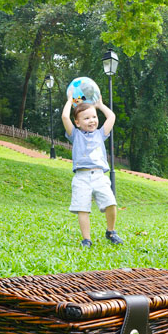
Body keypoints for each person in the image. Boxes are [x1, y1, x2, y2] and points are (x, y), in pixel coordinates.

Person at [61, 91, 123, 248]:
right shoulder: (75, 135)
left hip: (100, 176)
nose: (92, 121)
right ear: (77, 122)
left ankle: (111, 231)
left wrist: (100, 106)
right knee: (83, 208)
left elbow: (112, 117)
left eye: (94, 117)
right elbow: (64, 117)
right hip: (81, 177)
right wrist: (69, 101)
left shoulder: (101, 134)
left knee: (111, 203)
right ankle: (86, 239)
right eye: (86, 118)